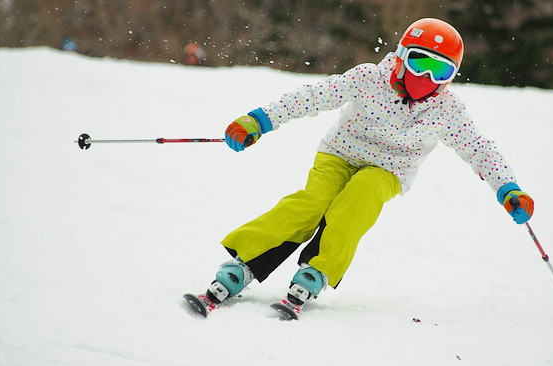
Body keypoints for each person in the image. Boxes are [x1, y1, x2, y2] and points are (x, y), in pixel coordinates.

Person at [188, 18, 534, 318]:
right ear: (400, 57)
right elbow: (313, 96)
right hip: (340, 155)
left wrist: (507, 187)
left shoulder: (446, 110)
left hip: (389, 170)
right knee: (312, 203)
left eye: (440, 70)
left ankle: (318, 271)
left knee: (360, 198)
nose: (426, 77)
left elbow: (479, 148)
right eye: (418, 62)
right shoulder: (369, 79)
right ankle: (245, 263)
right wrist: (259, 120)